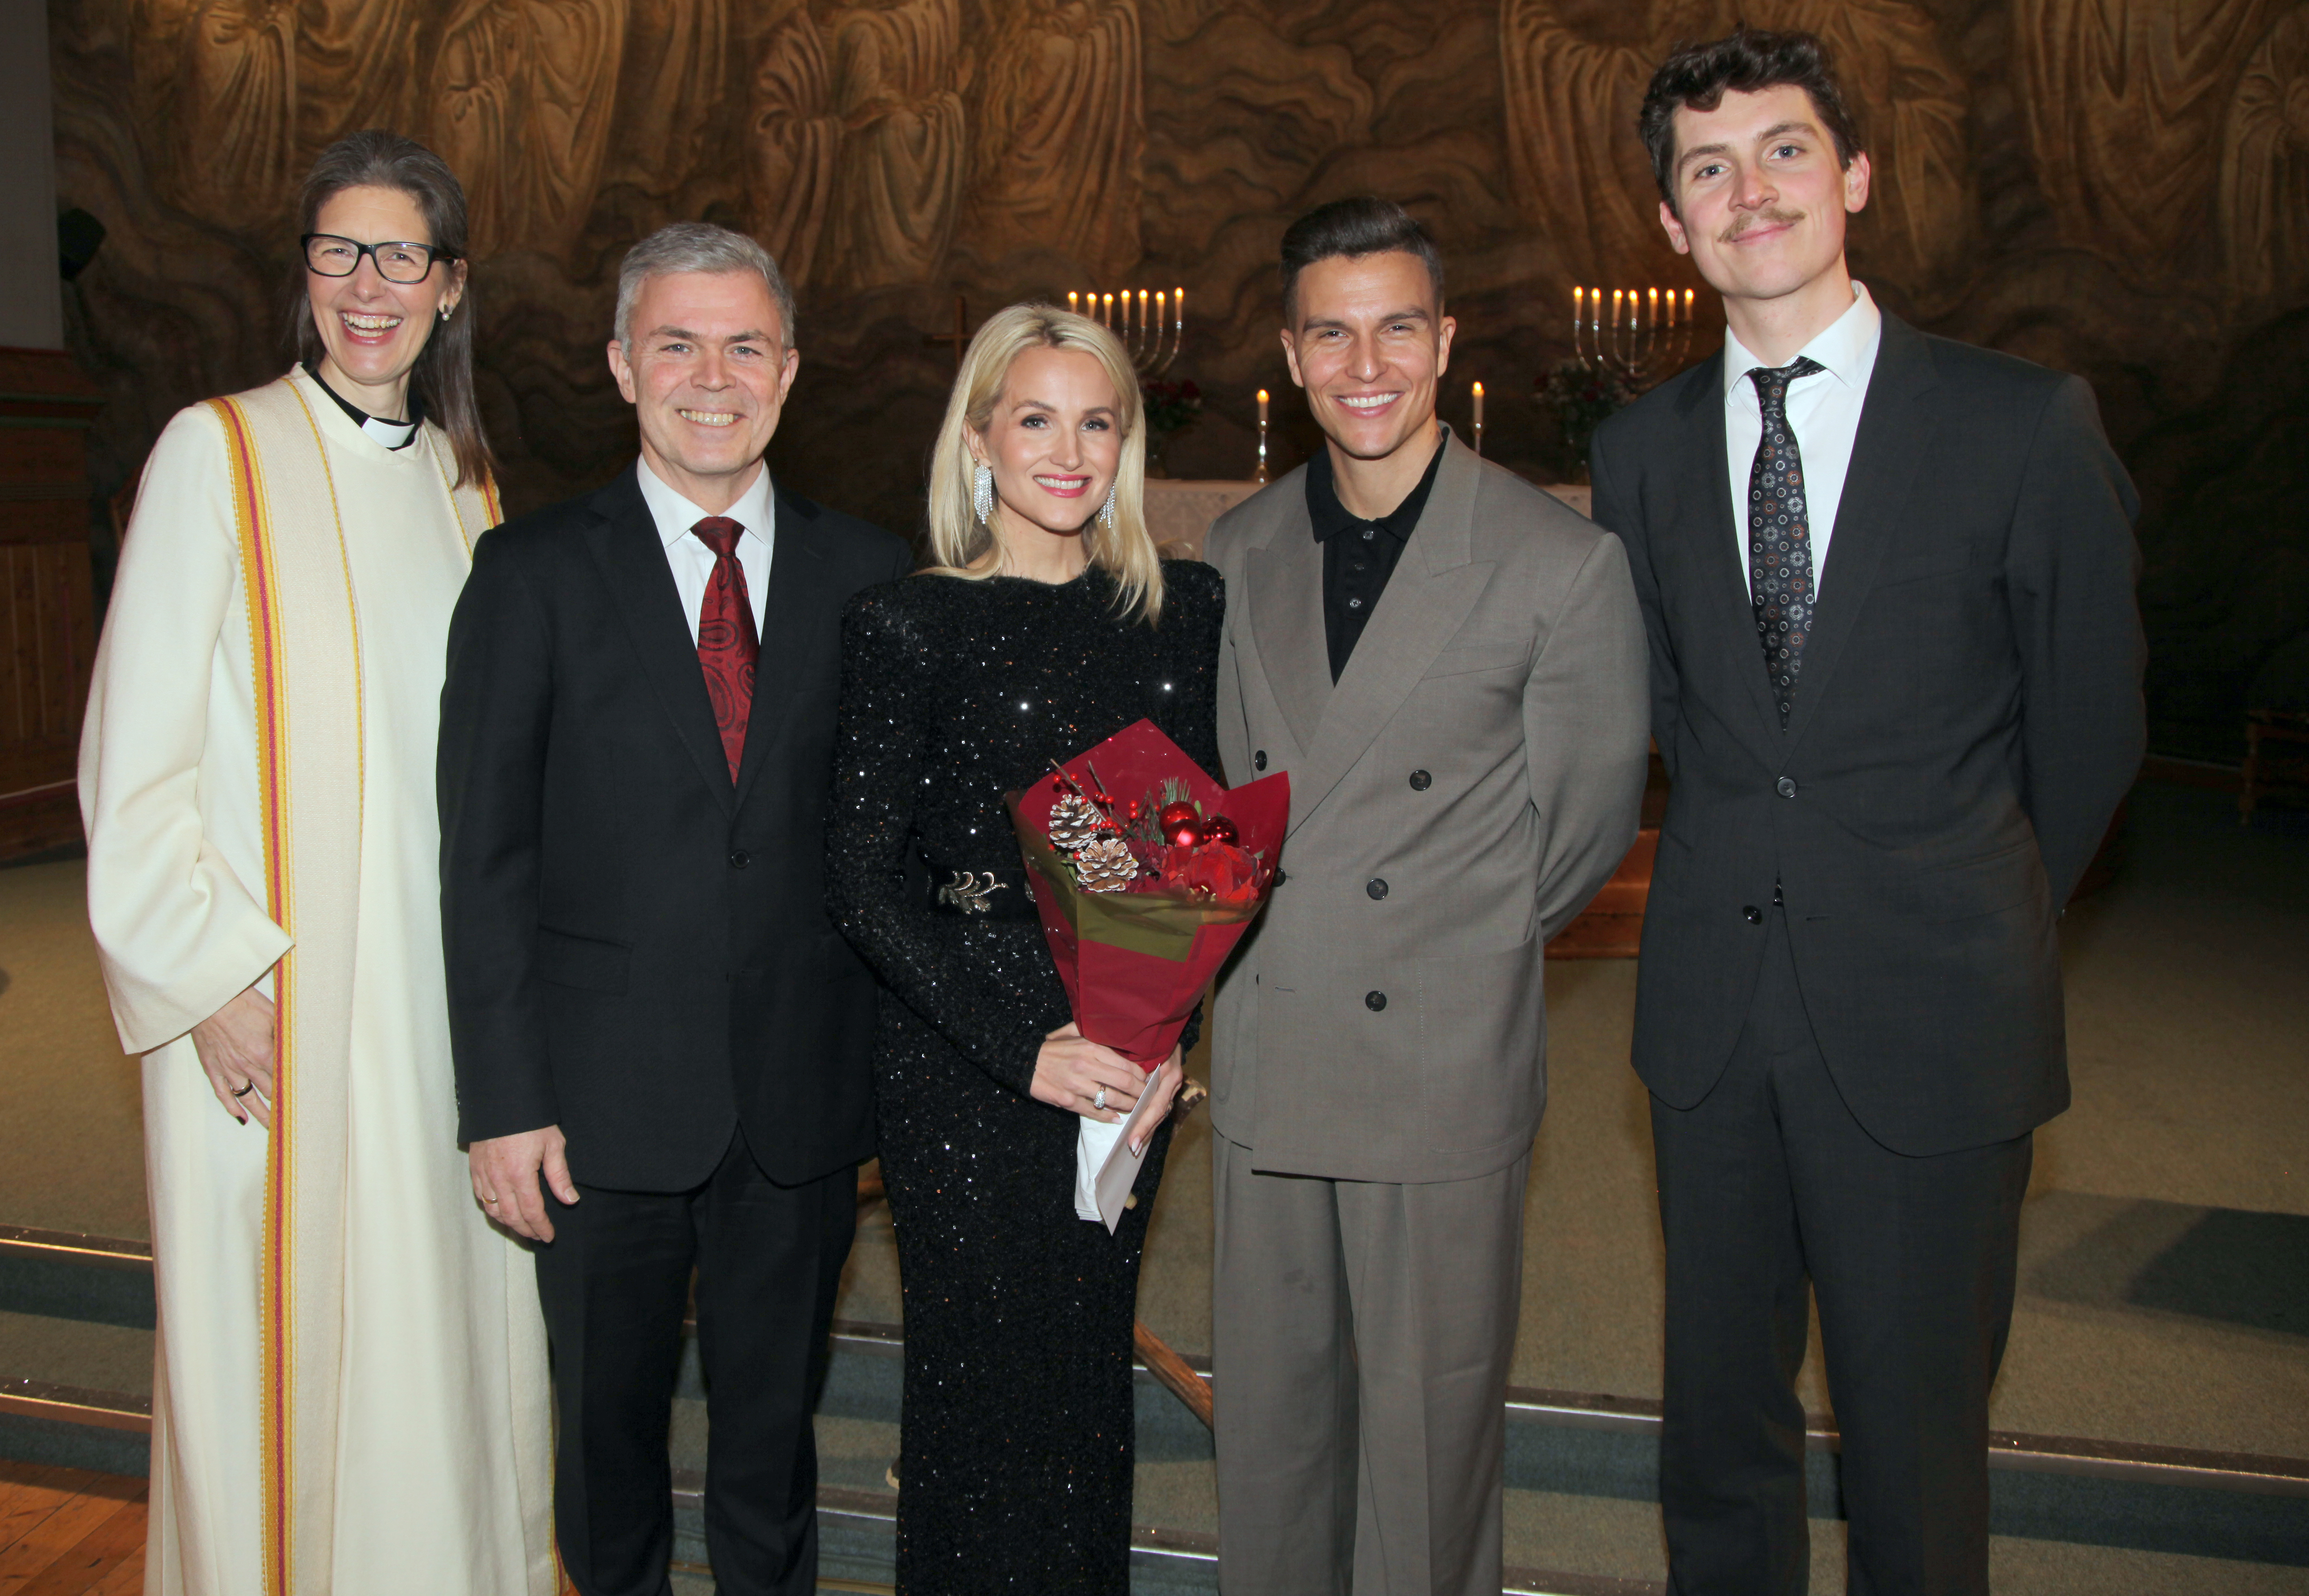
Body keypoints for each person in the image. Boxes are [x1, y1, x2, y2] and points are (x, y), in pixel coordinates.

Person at [1590, 30, 2146, 1594]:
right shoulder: (1637, 453)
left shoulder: (2019, 422)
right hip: (1712, 1018)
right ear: (1672, 223)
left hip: (1933, 1006)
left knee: (1913, 1447)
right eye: (1708, 168)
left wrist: (1968, 902)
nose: (1749, 189)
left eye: (1784, 149)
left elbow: (2092, 728)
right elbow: (1676, 718)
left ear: (1855, 175)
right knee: (1719, 1439)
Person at [78, 130, 555, 1595]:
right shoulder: (217, 451)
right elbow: (130, 753)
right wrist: (208, 982)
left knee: (437, 1336)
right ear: (305, 275)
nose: (368, 285)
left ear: (450, 284)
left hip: (433, 1000)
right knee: (278, 1354)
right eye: (339, 251)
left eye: (401, 255)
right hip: (273, 1004)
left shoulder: (466, 489)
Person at [439, 224, 909, 1596]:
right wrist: (503, 1102)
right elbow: (483, 861)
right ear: (620, 365)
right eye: (678, 344)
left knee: (772, 1453)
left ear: (791, 369)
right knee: (606, 1454)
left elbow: (899, 845)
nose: (714, 377)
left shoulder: (872, 576)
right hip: (594, 1106)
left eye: (746, 346)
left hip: (800, 1104)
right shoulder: (529, 574)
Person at [1201, 197, 1650, 1595]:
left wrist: (1442, 947)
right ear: (1290, 353)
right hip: (1273, 1048)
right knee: (1272, 1434)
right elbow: (1219, 812)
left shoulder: (1557, 561)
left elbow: (1576, 837)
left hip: (1437, 1059)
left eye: (1397, 327)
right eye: (1331, 334)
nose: (1367, 364)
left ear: (1447, 342)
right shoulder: (1236, 547)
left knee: (1426, 1440)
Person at [822, 303, 1214, 1593]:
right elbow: (861, 880)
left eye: (1097, 423)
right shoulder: (908, 624)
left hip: (1125, 1045)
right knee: (979, 1398)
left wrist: (1170, 1043)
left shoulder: (1185, 611)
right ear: (979, 438)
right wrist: (1016, 1048)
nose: (1068, 451)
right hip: (965, 1056)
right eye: (1036, 419)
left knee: (1086, 1386)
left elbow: (1192, 859)